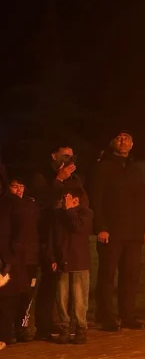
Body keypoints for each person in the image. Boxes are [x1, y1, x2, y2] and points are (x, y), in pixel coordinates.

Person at [89, 132, 145, 332]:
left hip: (134, 232)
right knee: (108, 275)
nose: (123, 141)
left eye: (127, 138)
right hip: (112, 232)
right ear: (113, 143)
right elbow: (96, 199)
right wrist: (100, 227)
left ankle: (128, 315)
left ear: (133, 144)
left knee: (131, 276)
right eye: (119, 138)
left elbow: (143, 200)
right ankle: (105, 315)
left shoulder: (134, 169)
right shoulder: (103, 167)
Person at [30, 144, 84, 340]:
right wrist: (59, 180)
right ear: (54, 156)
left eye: (71, 157)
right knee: (49, 278)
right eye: (64, 156)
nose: (68, 160)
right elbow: (45, 200)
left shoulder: (74, 179)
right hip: (46, 234)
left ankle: (62, 320)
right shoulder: (42, 176)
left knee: (62, 280)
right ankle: (43, 324)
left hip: (66, 233)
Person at [47, 189, 93, 344]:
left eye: (70, 199)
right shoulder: (58, 215)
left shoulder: (85, 213)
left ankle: (80, 328)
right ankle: (65, 327)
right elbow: (52, 237)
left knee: (80, 298)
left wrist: (70, 211)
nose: (67, 201)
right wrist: (53, 258)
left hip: (79, 261)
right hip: (62, 261)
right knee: (62, 297)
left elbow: (78, 228)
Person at [7, 174, 40, 342]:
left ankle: (23, 326)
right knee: (11, 294)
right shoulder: (6, 206)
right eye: (14, 186)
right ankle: (9, 329)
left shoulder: (31, 205)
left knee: (27, 294)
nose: (18, 190)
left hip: (30, 258)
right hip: (13, 259)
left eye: (21, 186)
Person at [0, 175, 26, 346]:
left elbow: (19, 232)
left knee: (7, 298)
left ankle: (4, 334)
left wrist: (9, 257)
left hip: (6, 259)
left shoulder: (12, 203)